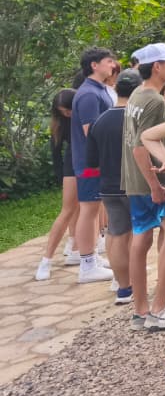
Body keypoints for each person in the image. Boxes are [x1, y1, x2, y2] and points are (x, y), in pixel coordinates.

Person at [123, 42, 165, 332]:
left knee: (141, 239)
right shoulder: (155, 102)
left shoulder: (136, 94)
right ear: (156, 67)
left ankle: (139, 310)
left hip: (133, 180)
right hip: (154, 181)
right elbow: (140, 146)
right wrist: (156, 186)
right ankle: (159, 308)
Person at [84, 70, 142, 302]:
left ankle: (123, 288)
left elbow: (91, 163)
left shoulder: (100, 121)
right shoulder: (139, 117)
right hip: (136, 186)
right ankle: (140, 283)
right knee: (141, 234)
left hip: (109, 187)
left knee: (117, 234)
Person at [70, 46, 120, 283]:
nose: (113, 66)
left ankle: (92, 259)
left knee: (92, 210)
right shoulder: (89, 94)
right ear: (94, 65)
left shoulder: (97, 90)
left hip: (96, 162)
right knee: (89, 211)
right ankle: (87, 264)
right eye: (109, 62)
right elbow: (91, 132)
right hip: (91, 164)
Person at [34, 89, 79, 281]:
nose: (67, 113)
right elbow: (56, 153)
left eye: (69, 109)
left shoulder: (83, 112)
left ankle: (78, 249)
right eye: (63, 111)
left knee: (87, 209)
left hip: (89, 165)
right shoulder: (60, 123)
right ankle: (46, 260)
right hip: (73, 166)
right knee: (68, 210)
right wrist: (62, 178)